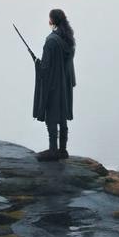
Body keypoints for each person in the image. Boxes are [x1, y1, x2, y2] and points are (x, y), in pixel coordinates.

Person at [32, 9, 76, 161]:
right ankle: (62, 150)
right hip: (65, 85)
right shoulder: (68, 39)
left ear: (52, 21)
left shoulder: (51, 41)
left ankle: (53, 150)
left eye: (49, 18)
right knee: (62, 116)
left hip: (53, 86)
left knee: (51, 117)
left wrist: (37, 63)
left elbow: (45, 68)